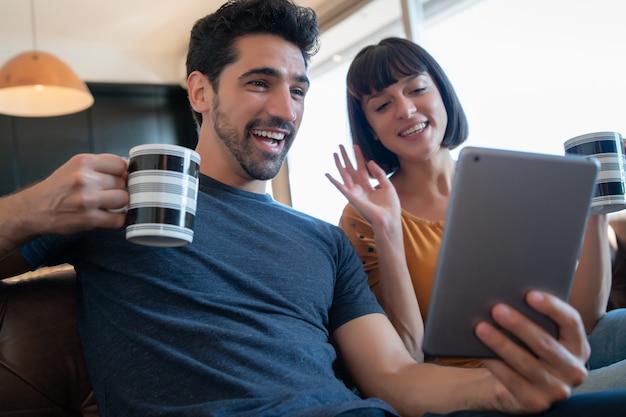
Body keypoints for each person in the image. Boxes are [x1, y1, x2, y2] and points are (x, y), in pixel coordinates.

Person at [0, 2, 625, 416]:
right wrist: (29, 208)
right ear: (199, 89)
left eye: (298, 88)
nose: (285, 109)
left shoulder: (322, 241)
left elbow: (397, 377)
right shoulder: (122, 196)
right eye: (258, 82)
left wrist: (500, 387)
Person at [326, 37, 626, 392]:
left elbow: (585, 318)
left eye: (417, 89)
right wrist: (388, 228)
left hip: (552, 352)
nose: (405, 109)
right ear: (371, 129)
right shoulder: (365, 214)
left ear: (442, 95)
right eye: (382, 105)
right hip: (473, 384)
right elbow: (408, 353)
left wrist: (596, 208)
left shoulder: (506, 180)